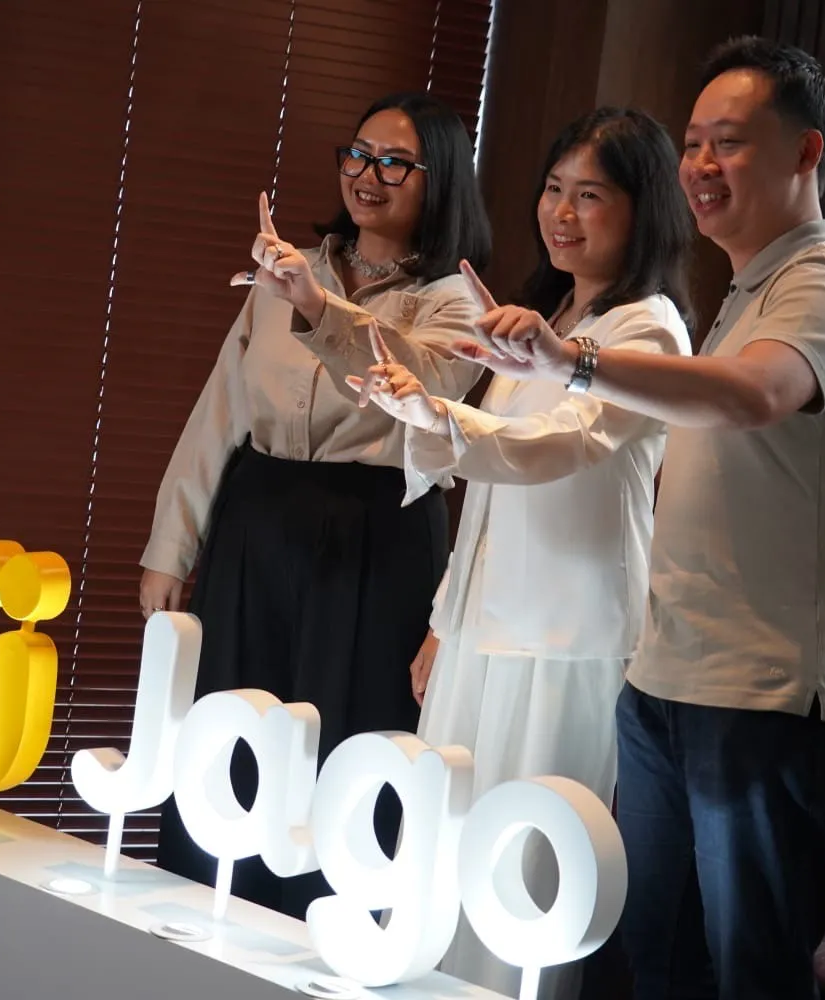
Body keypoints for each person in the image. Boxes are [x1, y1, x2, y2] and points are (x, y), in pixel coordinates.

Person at [454, 38, 825, 1000]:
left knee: (749, 973)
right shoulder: (741, 295)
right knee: (654, 964)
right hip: (667, 678)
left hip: (770, 692)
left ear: (806, 153)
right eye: (693, 142)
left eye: (728, 142)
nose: (700, 164)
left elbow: (756, 395)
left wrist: (572, 362)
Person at [350, 106, 693, 1000]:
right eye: (552, 189)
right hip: (480, 630)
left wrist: (440, 416)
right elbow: (491, 496)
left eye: (591, 195)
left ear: (643, 208)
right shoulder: (546, 315)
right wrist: (443, 620)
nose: (561, 213)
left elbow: (559, 447)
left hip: (565, 641)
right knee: (440, 862)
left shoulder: (647, 330)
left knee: (520, 881)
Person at [139, 92, 491, 920]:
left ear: (439, 179)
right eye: (358, 155)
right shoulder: (288, 269)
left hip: (379, 528)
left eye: (395, 163)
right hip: (260, 514)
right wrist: (170, 545)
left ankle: (321, 934)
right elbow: (221, 408)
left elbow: (419, 387)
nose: (368, 175)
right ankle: (199, 925)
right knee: (230, 723)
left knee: (345, 740)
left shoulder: (459, 302)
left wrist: (315, 307)